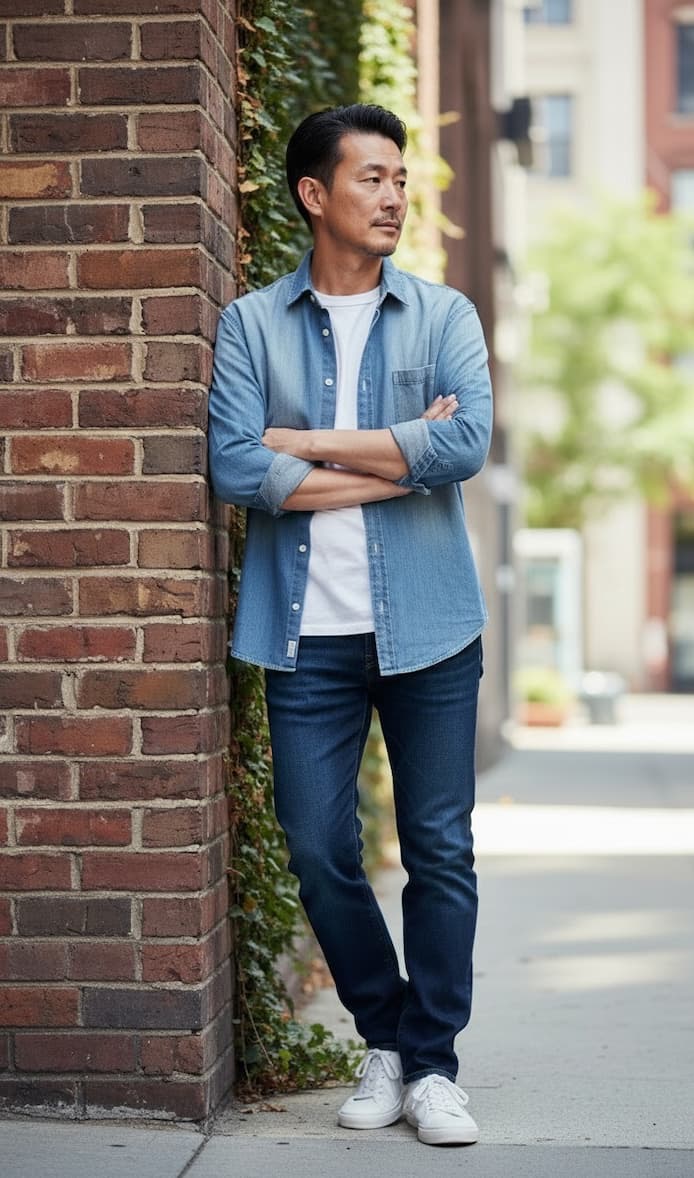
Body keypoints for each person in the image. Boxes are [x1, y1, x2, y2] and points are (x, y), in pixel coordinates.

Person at [208, 103, 492, 1147]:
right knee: (320, 843)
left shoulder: (443, 313)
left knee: (438, 850)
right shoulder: (249, 324)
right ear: (315, 194)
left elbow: (464, 450)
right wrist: (394, 455)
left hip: (430, 628)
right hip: (305, 636)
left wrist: (307, 448)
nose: (394, 195)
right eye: (372, 177)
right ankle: (386, 1031)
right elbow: (238, 466)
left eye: (402, 178)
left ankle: (432, 1065)